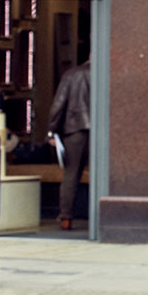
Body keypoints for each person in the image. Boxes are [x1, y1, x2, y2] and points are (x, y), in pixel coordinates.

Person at [47, 60, 91, 231]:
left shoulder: (71, 74)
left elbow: (58, 105)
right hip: (100, 132)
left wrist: (51, 131)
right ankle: (99, 215)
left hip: (74, 130)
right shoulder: (106, 73)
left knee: (71, 174)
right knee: (102, 174)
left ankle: (66, 217)